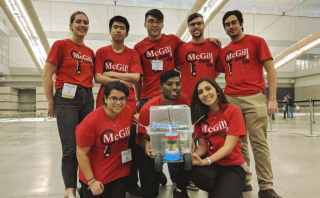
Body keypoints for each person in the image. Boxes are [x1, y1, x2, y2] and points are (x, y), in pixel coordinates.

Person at [219, 10, 282, 198]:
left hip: (254, 98)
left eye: (234, 23)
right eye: (227, 24)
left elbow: (271, 70)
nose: (231, 26)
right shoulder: (224, 51)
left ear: (241, 23)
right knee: (239, 144)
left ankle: (266, 187)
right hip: (231, 99)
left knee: (259, 143)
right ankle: (244, 180)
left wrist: (272, 98)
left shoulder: (257, 41)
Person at [42, 11, 94, 198]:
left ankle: (85, 185)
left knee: (87, 144)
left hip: (87, 97)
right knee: (71, 146)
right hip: (66, 98)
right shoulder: (61, 45)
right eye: (78, 21)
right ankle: (70, 190)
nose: (82, 25)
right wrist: (51, 102)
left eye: (86, 22)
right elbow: (47, 74)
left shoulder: (90, 52)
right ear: (70, 25)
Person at [93, 16, 143, 196]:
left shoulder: (132, 54)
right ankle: (100, 178)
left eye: (122, 28)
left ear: (127, 33)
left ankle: (130, 181)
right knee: (103, 143)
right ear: (110, 31)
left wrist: (111, 74)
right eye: (115, 27)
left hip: (127, 106)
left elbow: (136, 78)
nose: (118, 30)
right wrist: (124, 79)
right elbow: (98, 77)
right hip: (104, 105)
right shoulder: (101, 52)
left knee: (129, 144)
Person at [136, 70, 191, 198]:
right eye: (170, 84)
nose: (174, 87)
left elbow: (185, 126)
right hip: (156, 145)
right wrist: (147, 143)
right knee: (149, 193)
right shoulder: (148, 108)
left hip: (176, 143)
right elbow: (142, 137)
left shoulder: (183, 99)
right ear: (161, 87)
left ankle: (181, 187)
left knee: (192, 154)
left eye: (177, 84)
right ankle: (157, 175)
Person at [188, 78, 246, 198]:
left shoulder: (233, 111)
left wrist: (205, 161)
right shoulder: (200, 117)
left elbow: (228, 147)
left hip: (233, 166)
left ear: (218, 91)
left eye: (208, 89)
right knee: (196, 173)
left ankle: (229, 190)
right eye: (200, 92)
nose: (205, 94)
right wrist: (192, 155)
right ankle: (223, 190)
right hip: (213, 165)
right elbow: (203, 147)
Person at [76, 81, 134, 198]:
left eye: (122, 98)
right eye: (114, 98)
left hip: (119, 172)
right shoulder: (91, 121)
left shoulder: (127, 111)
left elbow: (136, 120)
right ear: (105, 98)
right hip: (97, 177)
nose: (118, 102)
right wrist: (91, 181)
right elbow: (81, 153)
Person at [175, 13, 223, 106]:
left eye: (199, 23)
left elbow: (219, 69)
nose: (196, 27)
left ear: (204, 26)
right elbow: (177, 67)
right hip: (188, 101)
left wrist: (209, 77)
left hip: (209, 99)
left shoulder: (215, 47)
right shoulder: (181, 49)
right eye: (192, 25)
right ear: (189, 28)